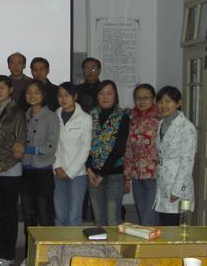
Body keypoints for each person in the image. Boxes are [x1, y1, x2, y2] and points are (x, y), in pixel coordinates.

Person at [0, 75, 26, 266]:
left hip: (10, 170)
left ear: (10, 90)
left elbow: (20, 142)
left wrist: (4, 165)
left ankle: (8, 254)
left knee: (9, 213)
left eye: (2, 87)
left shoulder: (18, 112)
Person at [20, 80, 59, 266]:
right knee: (29, 215)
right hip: (26, 171)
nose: (32, 96)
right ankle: (29, 255)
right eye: (29, 92)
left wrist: (29, 149)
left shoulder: (51, 117)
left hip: (43, 172)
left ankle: (47, 258)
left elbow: (51, 146)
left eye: (36, 92)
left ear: (43, 95)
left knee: (45, 215)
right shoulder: (24, 115)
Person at [86, 80, 129, 226]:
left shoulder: (122, 116)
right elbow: (85, 144)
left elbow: (119, 148)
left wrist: (102, 174)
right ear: (97, 96)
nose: (105, 97)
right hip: (93, 173)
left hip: (114, 173)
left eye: (109, 93)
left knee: (112, 219)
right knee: (98, 219)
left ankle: (115, 243)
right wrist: (89, 168)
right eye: (101, 93)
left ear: (115, 96)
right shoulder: (89, 116)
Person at [154, 86, 197, 225]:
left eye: (168, 101)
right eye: (160, 101)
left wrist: (177, 190)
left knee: (175, 227)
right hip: (163, 183)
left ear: (178, 103)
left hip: (177, 186)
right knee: (165, 224)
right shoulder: (161, 123)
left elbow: (187, 162)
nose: (163, 105)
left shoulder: (187, 128)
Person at [53, 82, 92, 226]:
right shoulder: (54, 116)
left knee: (73, 217)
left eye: (67, 95)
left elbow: (85, 148)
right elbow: (53, 145)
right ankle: (60, 241)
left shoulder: (85, 118)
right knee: (60, 215)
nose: (63, 99)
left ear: (75, 96)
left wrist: (69, 172)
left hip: (77, 174)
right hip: (58, 171)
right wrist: (57, 166)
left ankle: (72, 242)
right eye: (60, 96)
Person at [124, 84, 160, 226]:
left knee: (148, 219)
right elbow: (129, 150)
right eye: (138, 98)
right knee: (143, 216)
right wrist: (127, 178)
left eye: (146, 98)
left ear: (153, 99)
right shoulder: (133, 120)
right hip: (137, 176)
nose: (142, 101)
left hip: (154, 177)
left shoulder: (159, 120)